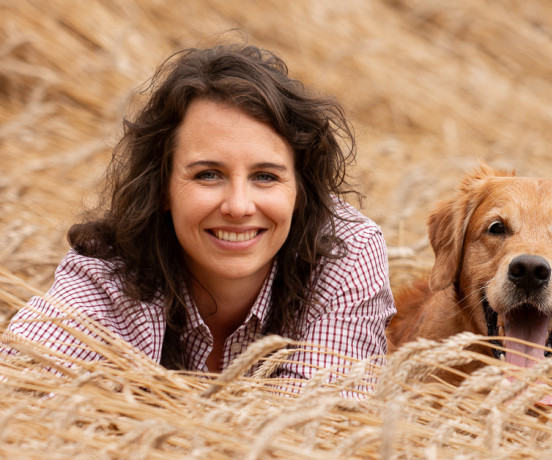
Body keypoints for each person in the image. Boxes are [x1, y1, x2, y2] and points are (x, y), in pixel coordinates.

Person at [2, 44, 395, 380]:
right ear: (162, 188)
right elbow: (18, 392)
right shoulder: (107, 272)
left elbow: (320, 427)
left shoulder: (346, 253)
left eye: (265, 176)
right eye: (208, 174)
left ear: (300, 190)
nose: (239, 207)